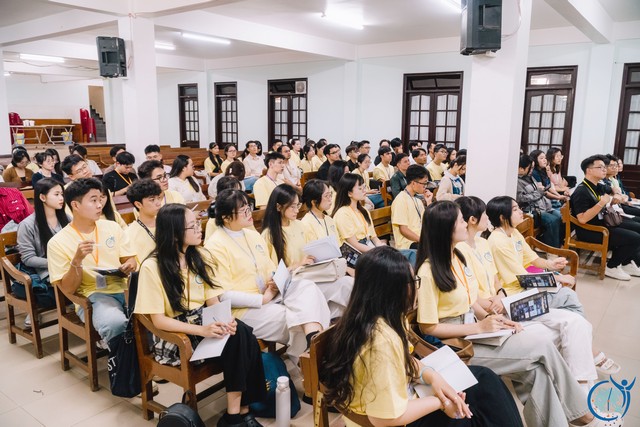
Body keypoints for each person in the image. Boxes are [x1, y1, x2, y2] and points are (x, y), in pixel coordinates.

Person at [416, 201, 618, 427]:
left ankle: (569, 418)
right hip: (455, 345)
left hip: (473, 330)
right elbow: (428, 327)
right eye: (461, 221)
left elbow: (471, 301)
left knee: (537, 372)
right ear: (446, 228)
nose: (465, 224)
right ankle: (585, 415)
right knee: (542, 345)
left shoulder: (457, 258)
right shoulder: (428, 271)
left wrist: (495, 321)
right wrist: (478, 327)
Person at [320, 246, 524, 427]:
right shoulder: (380, 341)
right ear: (394, 290)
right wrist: (441, 401)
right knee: (469, 414)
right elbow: (383, 419)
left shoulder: (378, 317)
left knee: (484, 379)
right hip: (393, 417)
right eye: (413, 282)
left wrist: (432, 376)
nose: (417, 288)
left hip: (401, 396)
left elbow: (404, 360)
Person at [135, 203, 267, 427]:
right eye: (193, 226)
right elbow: (158, 320)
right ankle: (237, 416)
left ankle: (239, 413)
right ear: (174, 233)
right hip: (175, 334)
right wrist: (203, 330)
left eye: (198, 223)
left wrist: (225, 321)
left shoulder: (200, 256)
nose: (200, 228)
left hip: (201, 321)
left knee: (243, 333)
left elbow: (213, 301)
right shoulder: (152, 267)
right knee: (240, 340)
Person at [486, 195, 621, 376]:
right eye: (516, 209)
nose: (521, 212)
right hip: (515, 297)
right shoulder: (498, 241)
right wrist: (556, 279)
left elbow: (532, 259)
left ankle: (583, 349)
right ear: (503, 217)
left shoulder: (513, 233)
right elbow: (521, 277)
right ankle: (588, 351)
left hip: (525, 288)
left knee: (569, 299)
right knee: (568, 298)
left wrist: (551, 264)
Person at [205, 189, 330, 361]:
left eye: (249, 207)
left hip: (271, 293)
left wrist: (275, 281)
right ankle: (312, 360)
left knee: (307, 287)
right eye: (243, 211)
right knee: (296, 318)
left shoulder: (251, 234)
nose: (249, 213)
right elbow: (223, 295)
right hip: (246, 309)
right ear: (226, 217)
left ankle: (312, 342)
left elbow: (271, 269)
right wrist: (262, 299)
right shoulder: (215, 246)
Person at [47, 178, 137, 345]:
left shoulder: (112, 226)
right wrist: (77, 261)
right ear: (75, 205)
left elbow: (129, 258)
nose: (99, 205)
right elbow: (67, 289)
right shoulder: (57, 242)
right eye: (93, 200)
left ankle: (141, 354)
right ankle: (122, 357)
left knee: (154, 313)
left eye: (100, 199)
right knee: (115, 323)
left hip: (125, 288)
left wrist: (130, 264)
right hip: (93, 295)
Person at [261, 184, 353, 318]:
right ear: (279, 207)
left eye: (298, 205)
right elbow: (273, 275)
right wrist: (298, 265)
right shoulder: (269, 235)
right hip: (291, 284)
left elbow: (310, 253)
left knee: (348, 284)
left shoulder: (299, 225)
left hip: (309, 275)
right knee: (328, 293)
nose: (297, 210)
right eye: (292, 206)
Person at [570, 154, 640, 281]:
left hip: (603, 222)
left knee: (637, 228)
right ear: (589, 170)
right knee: (635, 237)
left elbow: (613, 189)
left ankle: (626, 262)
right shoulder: (581, 191)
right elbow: (582, 219)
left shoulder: (596, 185)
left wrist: (617, 195)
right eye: (600, 167)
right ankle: (612, 266)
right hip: (589, 230)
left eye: (604, 167)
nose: (604, 169)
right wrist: (601, 203)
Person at [16, 179, 68, 318]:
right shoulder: (27, 225)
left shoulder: (66, 218)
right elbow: (28, 258)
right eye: (56, 194)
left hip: (69, 266)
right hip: (48, 272)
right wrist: (57, 263)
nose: (61, 198)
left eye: (62, 194)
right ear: (42, 197)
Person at [516, 154, 563, 248]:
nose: (532, 170)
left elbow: (540, 191)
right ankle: (550, 249)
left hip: (542, 207)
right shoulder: (517, 181)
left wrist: (543, 190)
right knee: (552, 221)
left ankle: (553, 245)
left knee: (560, 217)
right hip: (531, 210)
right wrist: (538, 192)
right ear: (521, 168)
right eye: (530, 168)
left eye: (533, 168)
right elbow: (521, 199)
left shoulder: (530, 177)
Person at [333, 173, 384, 252]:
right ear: (349, 193)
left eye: (364, 187)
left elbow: (374, 237)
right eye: (360, 188)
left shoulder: (364, 210)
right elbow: (354, 245)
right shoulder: (343, 213)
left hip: (369, 247)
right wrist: (376, 252)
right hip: (357, 252)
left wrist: (381, 247)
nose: (364, 191)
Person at [391, 165, 432, 251]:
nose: (425, 186)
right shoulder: (400, 200)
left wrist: (429, 202)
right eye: (424, 183)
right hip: (408, 244)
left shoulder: (417, 200)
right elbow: (403, 230)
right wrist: (423, 241)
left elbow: (427, 222)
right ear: (413, 183)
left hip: (419, 239)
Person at [124, 179, 163, 267]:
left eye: (158, 198)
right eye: (152, 200)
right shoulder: (129, 233)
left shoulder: (167, 222)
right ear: (138, 204)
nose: (158, 203)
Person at [204, 176, 243, 242]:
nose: (240, 195)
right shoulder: (213, 221)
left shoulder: (244, 214)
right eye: (235, 192)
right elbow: (209, 245)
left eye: (240, 191)